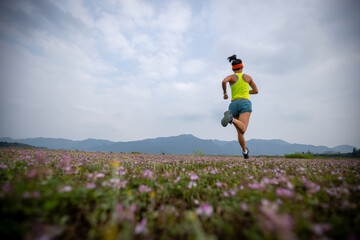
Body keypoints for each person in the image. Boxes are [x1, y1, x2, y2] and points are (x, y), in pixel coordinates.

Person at [221, 55, 258, 159]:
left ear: (233, 68)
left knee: (239, 131)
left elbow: (224, 81)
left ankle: (245, 152)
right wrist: (246, 91)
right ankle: (231, 119)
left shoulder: (231, 77)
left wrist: (225, 93)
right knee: (243, 130)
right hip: (245, 103)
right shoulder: (248, 77)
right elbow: (256, 91)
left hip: (233, 104)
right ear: (242, 67)